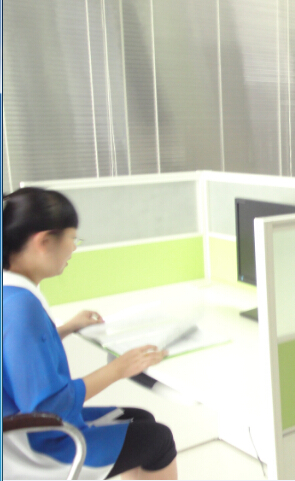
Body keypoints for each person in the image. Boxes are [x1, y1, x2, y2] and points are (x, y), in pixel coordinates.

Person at [2, 187, 177, 480]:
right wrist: (118, 369)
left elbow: (18, 359)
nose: (73, 248)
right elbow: (47, 408)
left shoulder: (9, 294)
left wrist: (66, 328)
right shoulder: (22, 307)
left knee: (141, 420)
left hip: (16, 437)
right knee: (158, 440)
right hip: (37, 450)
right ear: (44, 241)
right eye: (71, 238)